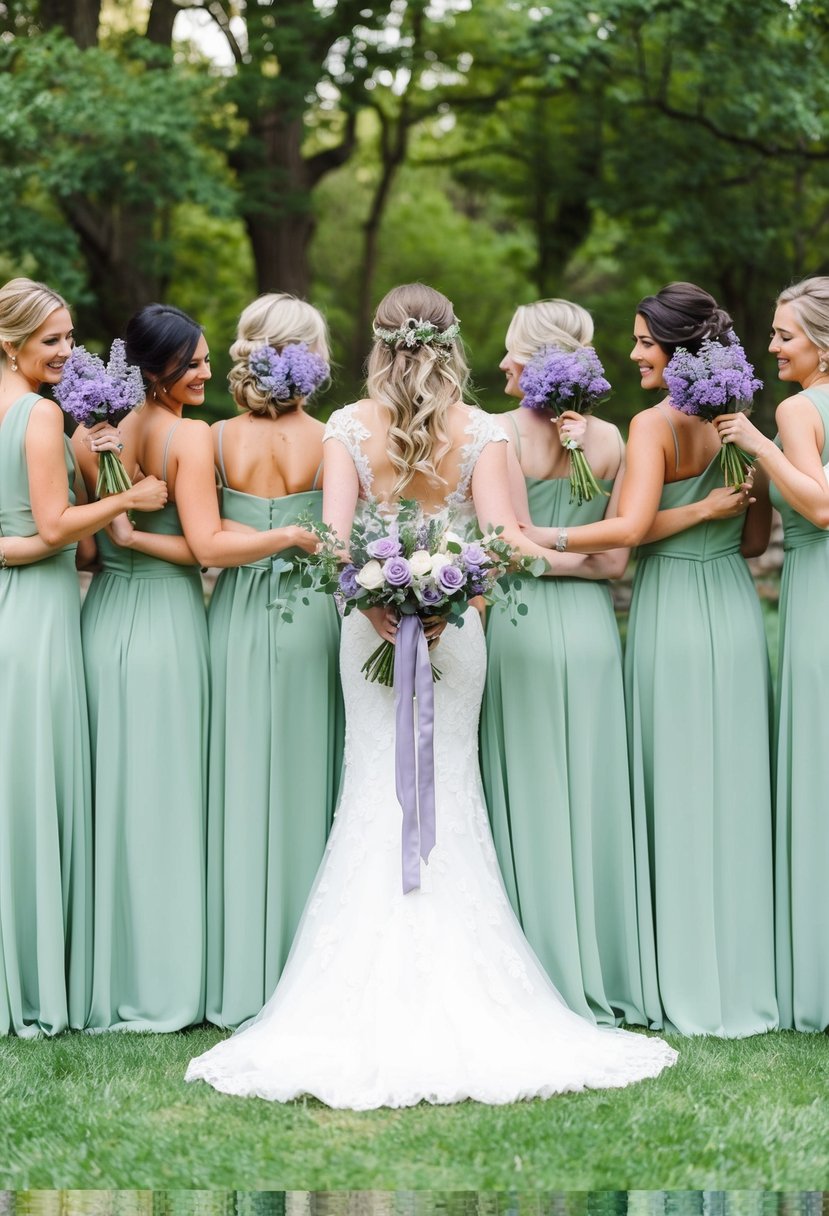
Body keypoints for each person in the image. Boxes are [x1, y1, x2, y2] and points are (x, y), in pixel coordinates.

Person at [185, 283, 677, 1107]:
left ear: (378, 347)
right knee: (447, 788)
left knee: (375, 785)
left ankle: (351, 991)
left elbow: (339, 543)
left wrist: (376, 600)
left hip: (364, 631)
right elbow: (496, 544)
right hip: (457, 637)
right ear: (451, 345)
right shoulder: (484, 434)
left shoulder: (345, 427)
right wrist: (456, 601)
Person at [527, 282, 778, 1037]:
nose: (633, 353)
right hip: (731, 606)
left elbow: (627, 529)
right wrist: (714, 506)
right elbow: (755, 542)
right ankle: (737, 969)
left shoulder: (651, 425)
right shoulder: (741, 425)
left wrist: (548, 539)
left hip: (671, 610)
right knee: (730, 783)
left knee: (670, 783)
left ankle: (678, 974)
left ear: (675, 349)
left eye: (642, 341)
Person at [75, 304, 319, 1032]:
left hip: (103, 621)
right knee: (173, 805)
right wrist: (282, 534)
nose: (210, 373)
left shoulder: (90, 440)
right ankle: (174, 975)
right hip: (169, 627)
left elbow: (89, 551)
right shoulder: (186, 436)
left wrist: (120, 528)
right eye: (195, 364)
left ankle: (108, 971)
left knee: (114, 798)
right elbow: (208, 546)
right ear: (154, 373)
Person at [0, 277, 167, 1037]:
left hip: (20, 594)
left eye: (69, 338)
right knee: (37, 780)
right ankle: (34, 982)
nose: (67, 352)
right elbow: (60, 525)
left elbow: (45, 530)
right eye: (52, 341)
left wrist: (98, 464)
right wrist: (129, 499)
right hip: (36, 612)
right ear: (12, 342)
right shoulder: (36, 415)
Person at [480, 298, 653, 1027]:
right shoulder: (612, 438)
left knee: (524, 788)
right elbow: (613, 561)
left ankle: (526, 962)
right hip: (587, 632)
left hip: (515, 626)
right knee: (587, 788)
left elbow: (500, 545)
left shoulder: (492, 436)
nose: (499, 365)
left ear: (529, 362)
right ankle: (594, 959)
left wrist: (533, 553)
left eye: (508, 353)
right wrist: (573, 557)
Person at [205, 294, 344, 1029]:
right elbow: (345, 538)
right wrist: (299, 532)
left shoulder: (214, 439)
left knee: (241, 773)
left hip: (236, 614)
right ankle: (310, 958)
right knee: (309, 775)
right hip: (312, 612)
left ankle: (242, 963)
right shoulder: (333, 438)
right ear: (312, 359)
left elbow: (203, 542)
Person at [716, 276, 829, 1032]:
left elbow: (818, 506)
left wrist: (756, 442)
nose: (771, 346)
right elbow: (762, 531)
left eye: (784, 334)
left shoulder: (792, 410)